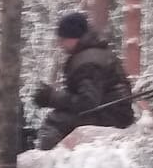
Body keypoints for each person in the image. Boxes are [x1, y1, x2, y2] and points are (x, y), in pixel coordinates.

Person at [33, 12, 135, 150]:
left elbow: (87, 102)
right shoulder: (94, 54)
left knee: (54, 122)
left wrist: (52, 97)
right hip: (114, 111)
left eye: (63, 39)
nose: (60, 44)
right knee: (60, 117)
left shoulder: (87, 62)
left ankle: (49, 164)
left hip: (111, 116)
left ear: (74, 37)